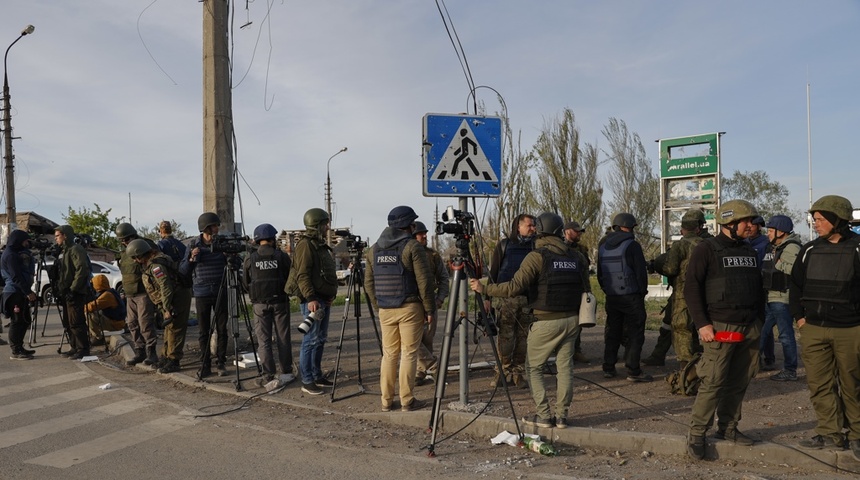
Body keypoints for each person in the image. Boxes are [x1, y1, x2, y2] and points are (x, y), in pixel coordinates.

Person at [470, 212, 589, 428]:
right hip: (573, 321)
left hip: (545, 321)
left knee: (533, 368)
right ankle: (562, 416)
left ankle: (543, 415)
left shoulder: (537, 256)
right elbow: (586, 290)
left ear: (541, 230)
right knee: (565, 368)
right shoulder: (576, 257)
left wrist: (485, 288)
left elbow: (514, 287)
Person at [684, 199, 763, 460]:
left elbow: (756, 288)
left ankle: (728, 428)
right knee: (714, 382)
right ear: (730, 223)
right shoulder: (707, 249)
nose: (751, 225)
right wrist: (702, 324)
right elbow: (691, 288)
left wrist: (759, 323)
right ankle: (697, 434)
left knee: (739, 381)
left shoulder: (750, 251)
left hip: (749, 327)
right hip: (719, 328)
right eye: (747, 221)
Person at [790, 195, 860, 459]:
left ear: (837, 220)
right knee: (820, 385)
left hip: (850, 330)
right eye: (814, 219)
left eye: (820, 219)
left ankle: (856, 434)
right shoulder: (809, 249)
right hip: (814, 330)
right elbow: (795, 286)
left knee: (852, 384)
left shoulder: (857, 248)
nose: (815, 224)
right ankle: (830, 433)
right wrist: (800, 318)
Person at [365, 206, 435, 412]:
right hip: (409, 307)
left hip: (386, 309)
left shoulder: (374, 249)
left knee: (389, 355)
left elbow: (369, 283)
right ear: (408, 226)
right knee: (409, 353)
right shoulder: (412, 247)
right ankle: (407, 400)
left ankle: (386, 401)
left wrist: (379, 305)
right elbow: (425, 282)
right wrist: (429, 309)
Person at [285, 208, 338, 396]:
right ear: (317, 225)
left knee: (320, 339)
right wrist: (311, 298)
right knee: (311, 339)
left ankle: (316, 375)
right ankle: (307, 380)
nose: (327, 227)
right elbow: (303, 275)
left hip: (323, 299)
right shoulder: (305, 245)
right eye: (325, 224)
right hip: (313, 300)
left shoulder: (319, 244)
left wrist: (328, 296)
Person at [597, 212, 651, 382]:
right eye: (631, 227)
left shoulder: (603, 246)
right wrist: (641, 293)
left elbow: (600, 274)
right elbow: (641, 273)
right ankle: (633, 370)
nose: (633, 230)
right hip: (631, 296)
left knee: (613, 332)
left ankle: (608, 367)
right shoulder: (632, 245)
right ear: (623, 227)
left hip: (612, 297)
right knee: (636, 333)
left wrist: (608, 291)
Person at [127, 238, 192, 374]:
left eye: (135, 257)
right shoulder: (151, 263)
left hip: (177, 297)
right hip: (170, 298)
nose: (134, 261)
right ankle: (166, 356)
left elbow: (165, 286)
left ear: (141, 254)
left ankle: (174, 360)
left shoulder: (156, 265)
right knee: (169, 328)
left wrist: (167, 307)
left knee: (176, 329)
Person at [653, 209, 707, 371]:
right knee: (701, 326)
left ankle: (686, 369)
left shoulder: (680, 245)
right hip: (706, 294)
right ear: (699, 227)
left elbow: (670, 269)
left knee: (682, 328)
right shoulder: (708, 244)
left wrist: (658, 265)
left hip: (682, 294)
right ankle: (700, 361)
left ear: (683, 229)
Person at [486, 214, 536, 388]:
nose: (533, 228)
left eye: (534, 225)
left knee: (524, 340)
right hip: (506, 300)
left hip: (528, 300)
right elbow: (494, 272)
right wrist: (487, 298)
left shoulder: (535, 246)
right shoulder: (505, 245)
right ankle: (501, 372)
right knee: (505, 339)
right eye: (529, 225)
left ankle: (517, 374)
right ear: (518, 227)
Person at [243, 223, 294, 387]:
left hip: (259, 305)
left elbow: (245, 282)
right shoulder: (281, 256)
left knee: (263, 341)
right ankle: (286, 371)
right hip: (280, 302)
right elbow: (289, 277)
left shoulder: (250, 259)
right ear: (272, 239)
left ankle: (268, 375)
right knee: (283, 338)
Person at [180, 212, 229, 378]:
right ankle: (205, 364)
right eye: (214, 226)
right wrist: (192, 258)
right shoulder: (193, 244)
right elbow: (184, 271)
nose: (217, 228)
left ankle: (221, 362)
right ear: (206, 227)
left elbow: (234, 265)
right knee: (204, 331)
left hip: (221, 291)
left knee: (222, 329)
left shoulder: (221, 243)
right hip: (202, 293)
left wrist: (229, 257)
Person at [760, 215, 801, 382]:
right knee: (762, 331)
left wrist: (778, 264)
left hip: (782, 298)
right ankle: (750, 364)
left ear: (781, 231)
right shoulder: (775, 246)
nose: (768, 234)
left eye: (771, 231)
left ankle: (790, 370)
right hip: (771, 296)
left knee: (785, 335)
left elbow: (795, 271)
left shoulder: (791, 248)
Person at [116, 223, 160, 366]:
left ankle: (151, 352)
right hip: (130, 293)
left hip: (143, 292)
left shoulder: (145, 246)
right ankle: (139, 350)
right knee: (132, 323)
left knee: (145, 323)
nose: (124, 242)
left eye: (126, 239)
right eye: (122, 240)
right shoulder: (125, 252)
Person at [412, 221, 449, 386]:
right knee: (413, 339)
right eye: (421, 233)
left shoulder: (433, 255)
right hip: (412, 302)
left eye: (425, 233)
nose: (425, 236)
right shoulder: (407, 253)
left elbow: (443, 278)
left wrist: (440, 298)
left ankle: (421, 371)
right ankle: (435, 367)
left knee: (427, 338)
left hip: (431, 302)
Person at [53, 225, 93, 360]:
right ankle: (74, 346)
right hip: (66, 291)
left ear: (65, 235)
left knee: (76, 321)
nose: (56, 238)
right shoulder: (65, 250)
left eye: (58, 236)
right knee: (68, 322)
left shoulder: (76, 249)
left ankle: (83, 349)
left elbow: (81, 270)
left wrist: (73, 289)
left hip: (75, 291)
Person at [1, 230, 37, 360]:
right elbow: (16, 276)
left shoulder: (15, 253)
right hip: (14, 292)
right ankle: (16, 350)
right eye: (25, 241)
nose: (27, 244)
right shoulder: (10, 255)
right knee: (17, 321)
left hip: (19, 292)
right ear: (18, 240)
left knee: (24, 319)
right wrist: (28, 292)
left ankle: (20, 347)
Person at [746, 215, 773, 371]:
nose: (749, 227)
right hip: (748, 289)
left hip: (763, 289)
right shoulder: (743, 243)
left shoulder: (766, 244)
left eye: (753, 225)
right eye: (747, 224)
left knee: (765, 325)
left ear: (759, 227)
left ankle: (768, 357)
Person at [563, 221, 591, 364]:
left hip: (579, 289)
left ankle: (576, 351)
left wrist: (588, 291)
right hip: (564, 290)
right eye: (576, 231)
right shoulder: (560, 247)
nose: (579, 233)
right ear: (567, 231)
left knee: (578, 322)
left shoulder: (581, 249)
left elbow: (586, 270)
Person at [83, 274, 126, 346]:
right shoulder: (110, 291)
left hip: (115, 324)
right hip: (117, 322)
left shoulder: (107, 296)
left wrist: (81, 306)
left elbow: (91, 307)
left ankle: (98, 338)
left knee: (90, 314)